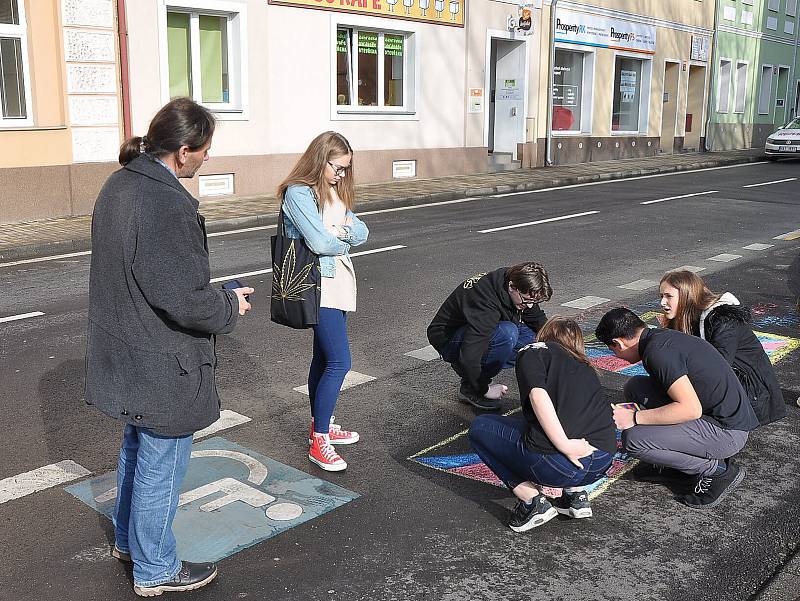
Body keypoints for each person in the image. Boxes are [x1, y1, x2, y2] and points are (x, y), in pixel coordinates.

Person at [85, 98, 253, 596]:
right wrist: (227, 304)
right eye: (204, 150)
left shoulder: (120, 184)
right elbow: (182, 298)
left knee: (136, 449)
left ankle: (128, 542)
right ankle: (156, 568)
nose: (206, 159)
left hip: (126, 348)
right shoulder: (165, 202)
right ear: (183, 151)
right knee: (162, 459)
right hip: (162, 359)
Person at [594, 308, 759, 509]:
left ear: (618, 343)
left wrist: (635, 417)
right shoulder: (659, 338)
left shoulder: (657, 353)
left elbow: (690, 410)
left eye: (613, 351)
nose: (616, 356)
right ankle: (672, 464)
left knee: (634, 440)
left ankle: (716, 470)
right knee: (635, 387)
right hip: (724, 418)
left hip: (727, 432)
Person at [468, 317, 615, 533]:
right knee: (536, 425)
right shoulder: (585, 365)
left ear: (545, 336)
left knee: (480, 428)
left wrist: (564, 445)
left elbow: (538, 396)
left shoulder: (534, 351)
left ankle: (532, 502)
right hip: (601, 462)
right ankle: (575, 496)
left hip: (561, 466)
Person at [277, 131, 369, 472]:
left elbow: (363, 231)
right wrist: (341, 236)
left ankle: (323, 422)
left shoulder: (331, 189)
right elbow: (318, 241)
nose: (342, 174)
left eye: (346, 168)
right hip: (318, 285)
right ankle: (319, 439)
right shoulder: (298, 192)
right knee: (340, 362)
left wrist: (341, 233)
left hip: (339, 283)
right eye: (337, 167)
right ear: (320, 159)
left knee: (323, 357)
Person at [658, 270, 785, 426]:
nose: (662, 303)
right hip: (731, 386)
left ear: (687, 295)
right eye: (661, 296)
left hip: (754, 396)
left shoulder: (723, 320)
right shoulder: (688, 318)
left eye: (668, 296)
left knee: (677, 407)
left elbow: (717, 368)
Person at [427, 263, 551, 411]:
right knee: (507, 334)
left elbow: (537, 319)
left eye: (534, 302)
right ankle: (470, 389)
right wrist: (483, 388)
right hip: (449, 338)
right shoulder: (485, 302)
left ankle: (473, 373)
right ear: (512, 287)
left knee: (535, 343)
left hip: (482, 328)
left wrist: (564, 345)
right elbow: (470, 353)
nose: (530, 306)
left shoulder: (518, 281)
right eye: (526, 301)